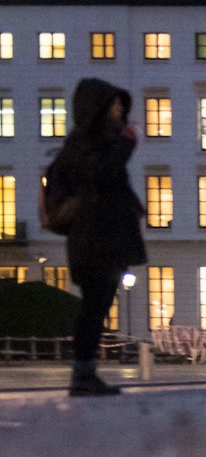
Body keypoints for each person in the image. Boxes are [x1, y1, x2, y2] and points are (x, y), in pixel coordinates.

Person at [46, 78, 147, 397]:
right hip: (94, 241)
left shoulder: (94, 143)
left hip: (103, 241)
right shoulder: (87, 144)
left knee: (97, 306)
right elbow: (99, 175)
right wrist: (126, 145)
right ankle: (82, 375)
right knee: (94, 308)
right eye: (115, 105)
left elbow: (109, 184)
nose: (120, 110)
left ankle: (85, 374)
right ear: (99, 109)